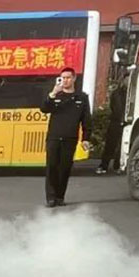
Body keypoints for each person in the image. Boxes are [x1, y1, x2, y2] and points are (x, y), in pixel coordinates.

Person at [41, 66, 92, 207]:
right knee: (52, 167)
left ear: (74, 78)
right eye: (63, 78)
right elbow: (44, 109)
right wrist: (53, 93)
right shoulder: (55, 95)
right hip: (54, 137)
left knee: (65, 168)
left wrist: (86, 138)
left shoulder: (82, 98)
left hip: (70, 139)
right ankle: (51, 198)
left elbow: (86, 120)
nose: (65, 80)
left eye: (68, 78)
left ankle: (60, 197)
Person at [97, 81, 126, 175]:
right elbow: (114, 106)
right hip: (115, 121)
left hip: (125, 121)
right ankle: (103, 165)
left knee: (121, 146)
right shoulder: (116, 93)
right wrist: (118, 117)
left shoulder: (131, 92)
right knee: (110, 144)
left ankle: (117, 166)